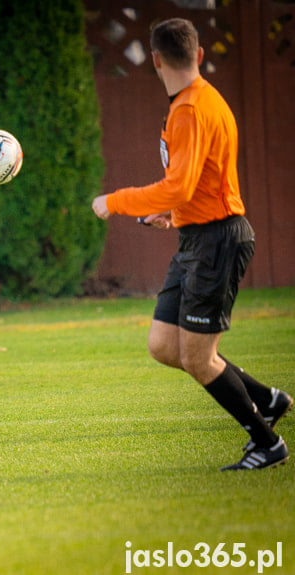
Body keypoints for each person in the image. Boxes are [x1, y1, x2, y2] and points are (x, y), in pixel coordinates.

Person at [91, 18, 291, 470]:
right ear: (199, 55)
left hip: (218, 240)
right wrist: (174, 213)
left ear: (156, 60)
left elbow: (178, 185)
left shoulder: (192, 108)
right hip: (197, 235)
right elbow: (194, 185)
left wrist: (115, 201)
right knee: (165, 346)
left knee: (199, 358)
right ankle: (268, 400)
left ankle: (267, 442)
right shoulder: (194, 100)